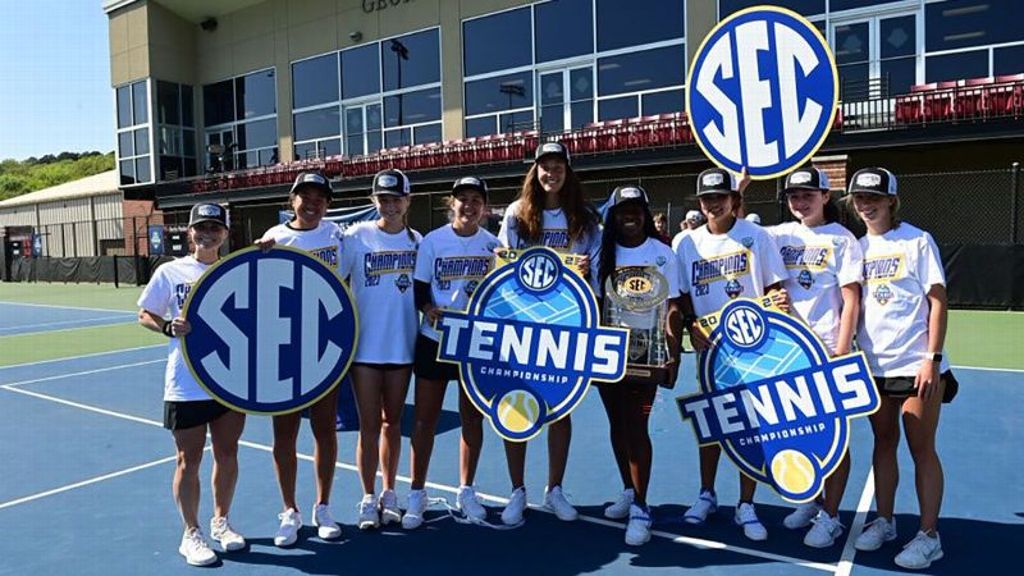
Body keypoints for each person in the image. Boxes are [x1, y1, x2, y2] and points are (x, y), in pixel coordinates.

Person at [673, 167, 788, 541]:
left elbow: (775, 289)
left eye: (720, 197)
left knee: (750, 427)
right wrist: (692, 325)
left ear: (733, 199)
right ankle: (706, 493)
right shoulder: (686, 242)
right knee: (712, 423)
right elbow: (683, 295)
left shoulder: (756, 236)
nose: (713, 204)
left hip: (753, 348)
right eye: (707, 199)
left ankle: (746, 503)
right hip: (711, 350)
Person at [847, 168, 952, 570]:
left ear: (891, 199)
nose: (865, 204)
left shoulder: (918, 241)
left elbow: (939, 302)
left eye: (873, 198)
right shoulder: (855, 248)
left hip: (916, 364)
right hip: (873, 365)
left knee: (921, 447)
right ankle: (886, 521)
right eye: (859, 198)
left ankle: (929, 535)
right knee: (883, 442)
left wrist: (932, 358)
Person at [495, 141, 601, 525]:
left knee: (561, 405)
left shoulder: (584, 218)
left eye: (557, 166)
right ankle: (516, 489)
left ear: (567, 172)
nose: (550, 173)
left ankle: (554, 488)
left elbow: (597, 275)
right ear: (534, 171)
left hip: (566, 325)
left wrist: (587, 276)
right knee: (516, 405)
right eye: (544, 166)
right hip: (523, 324)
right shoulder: (517, 213)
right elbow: (502, 268)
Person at [137, 203, 246, 566]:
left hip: (231, 380)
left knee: (228, 453)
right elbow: (145, 313)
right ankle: (191, 532)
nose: (208, 233)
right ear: (190, 232)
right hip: (186, 381)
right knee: (189, 459)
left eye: (216, 227)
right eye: (201, 227)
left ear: (226, 234)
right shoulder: (171, 271)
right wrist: (168, 326)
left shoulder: (239, 269)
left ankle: (222, 522)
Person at [766, 167, 864, 548]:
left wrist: (841, 351)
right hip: (790, 351)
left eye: (808, 194)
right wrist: (739, 185)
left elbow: (851, 300)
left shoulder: (842, 240)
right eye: (793, 195)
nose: (800, 201)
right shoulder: (778, 234)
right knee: (803, 434)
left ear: (826, 196)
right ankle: (812, 499)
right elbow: (734, 227)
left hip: (827, 348)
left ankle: (832, 514)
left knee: (834, 436)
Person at [256, 172, 345, 546]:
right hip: (285, 351)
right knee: (285, 434)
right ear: (291, 199)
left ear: (328, 203)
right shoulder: (274, 240)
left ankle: (323, 506)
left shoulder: (339, 236)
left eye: (320, 197)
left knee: (325, 430)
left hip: (327, 348)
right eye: (305, 196)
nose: (312, 203)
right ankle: (289, 509)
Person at [403, 176, 496, 529]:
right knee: (425, 419)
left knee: (472, 418)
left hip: (474, 341)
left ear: (484, 207)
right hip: (435, 339)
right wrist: (427, 308)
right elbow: (420, 290)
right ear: (451, 203)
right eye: (462, 199)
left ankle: (466, 490)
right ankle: (416, 492)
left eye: (476, 200)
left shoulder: (494, 245)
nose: (468, 206)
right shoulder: (432, 242)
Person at [596, 185, 683, 546]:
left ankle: (642, 507)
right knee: (617, 424)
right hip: (608, 352)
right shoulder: (602, 253)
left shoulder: (663, 253)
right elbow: (595, 303)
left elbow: (674, 307)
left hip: (648, 355)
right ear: (614, 216)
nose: (629, 215)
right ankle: (629, 491)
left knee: (637, 425)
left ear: (646, 213)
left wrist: (673, 353)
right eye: (622, 210)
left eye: (636, 209)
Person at [339, 168, 422, 530]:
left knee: (393, 423)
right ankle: (368, 497)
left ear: (407, 201)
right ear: (374, 201)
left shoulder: (419, 242)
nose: (389, 205)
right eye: (383, 199)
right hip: (365, 350)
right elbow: (328, 273)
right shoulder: (356, 236)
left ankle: (391, 493)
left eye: (396, 199)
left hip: (403, 347)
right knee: (368, 425)